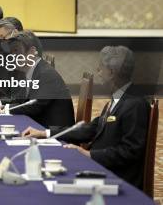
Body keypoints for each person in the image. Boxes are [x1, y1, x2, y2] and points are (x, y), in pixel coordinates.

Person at [22, 46, 150, 188]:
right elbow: (92, 128)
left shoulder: (135, 104)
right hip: (100, 166)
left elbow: (130, 152)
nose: (98, 72)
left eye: (100, 68)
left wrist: (89, 155)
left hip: (115, 178)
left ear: (112, 72)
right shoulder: (119, 97)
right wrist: (45, 133)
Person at [0, 31, 75, 129]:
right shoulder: (29, 71)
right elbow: (20, 100)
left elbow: (34, 106)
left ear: (31, 52)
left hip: (56, 135)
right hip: (37, 124)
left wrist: (2, 109)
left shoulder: (45, 74)